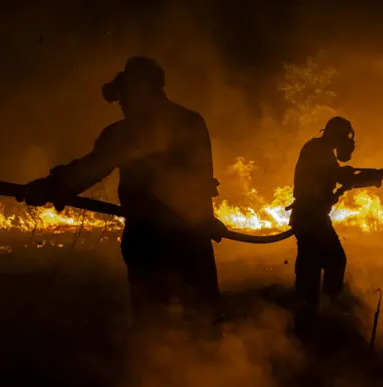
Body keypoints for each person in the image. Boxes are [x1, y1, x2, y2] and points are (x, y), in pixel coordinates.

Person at [19, 56, 227, 332]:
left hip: (157, 242)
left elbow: (92, 168)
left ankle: (171, 367)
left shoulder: (132, 132)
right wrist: (53, 186)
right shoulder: (190, 121)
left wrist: (51, 186)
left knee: (157, 326)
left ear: (144, 90)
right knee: (196, 323)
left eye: (126, 96)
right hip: (185, 239)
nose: (123, 105)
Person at [287, 116, 383, 336]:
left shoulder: (320, 150)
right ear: (335, 134)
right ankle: (323, 317)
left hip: (311, 218)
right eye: (346, 136)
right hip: (311, 218)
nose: (349, 142)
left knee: (313, 267)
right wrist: (376, 175)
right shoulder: (317, 150)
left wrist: (375, 176)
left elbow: (341, 177)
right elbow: (340, 177)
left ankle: (308, 321)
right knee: (333, 260)